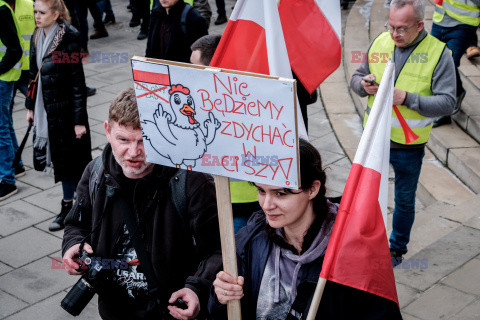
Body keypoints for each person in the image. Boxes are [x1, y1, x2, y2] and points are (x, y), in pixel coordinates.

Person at [62, 87, 222, 320]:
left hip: (170, 313)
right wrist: (73, 244)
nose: (133, 152)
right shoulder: (95, 172)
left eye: (144, 140)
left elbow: (218, 249)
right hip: (113, 311)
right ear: (107, 131)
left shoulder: (191, 182)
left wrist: (196, 288)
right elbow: (76, 224)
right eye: (123, 140)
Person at [208, 139, 402, 319]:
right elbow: (224, 312)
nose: (267, 205)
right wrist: (221, 298)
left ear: (312, 189)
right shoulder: (251, 239)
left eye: (281, 193)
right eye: (261, 190)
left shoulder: (354, 251)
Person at [350, 0, 456, 265]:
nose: (394, 34)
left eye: (402, 29)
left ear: (420, 25)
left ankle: (396, 250)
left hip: (408, 146)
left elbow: (448, 103)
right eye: (391, 26)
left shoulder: (439, 53)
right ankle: (363, 244)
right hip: (374, 138)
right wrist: (363, 85)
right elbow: (356, 77)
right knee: (365, 195)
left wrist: (407, 98)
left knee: (405, 200)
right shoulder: (381, 41)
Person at [26, 0, 92, 231]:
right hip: (47, 109)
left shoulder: (69, 37)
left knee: (73, 162)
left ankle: (81, 207)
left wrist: (79, 121)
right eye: (35, 11)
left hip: (65, 112)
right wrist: (31, 107)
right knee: (62, 162)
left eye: (42, 12)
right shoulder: (37, 34)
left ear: (55, 14)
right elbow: (34, 74)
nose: (36, 16)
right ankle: (68, 206)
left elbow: (77, 82)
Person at [430, 0, 480, 127]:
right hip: (440, 19)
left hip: (464, 24)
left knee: (449, 63)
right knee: (433, 62)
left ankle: (446, 107)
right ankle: (452, 96)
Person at [8, 0, 35, 179]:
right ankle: (16, 162)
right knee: (5, 119)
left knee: (42, 109)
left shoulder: (29, 4)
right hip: (8, 71)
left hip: (28, 70)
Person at [0, 0, 23, 201]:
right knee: (4, 124)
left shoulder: (0, 10)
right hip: (4, 78)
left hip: (3, 79)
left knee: (1, 128)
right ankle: (17, 165)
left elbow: (15, 50)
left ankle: (7, 181)